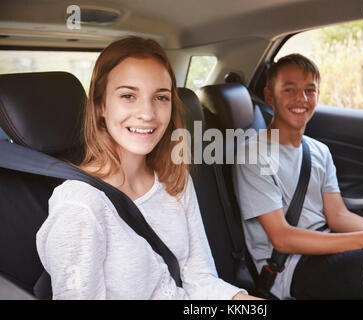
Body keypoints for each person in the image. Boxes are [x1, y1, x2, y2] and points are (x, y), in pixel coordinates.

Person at [36, 36, 259, 300]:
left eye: (161, 97)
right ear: (100, 107)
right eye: (128, 96)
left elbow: (199, 279)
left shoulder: (175, 179)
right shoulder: (81, 206)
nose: (148, 113)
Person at [233, 53, 363, 300]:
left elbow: (338, 215)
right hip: (289, 268)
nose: (301, 99)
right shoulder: (253, 156)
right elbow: (282, 238)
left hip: (328, 248)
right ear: (270, 96)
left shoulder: (318, 150)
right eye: (289, 90)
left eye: (309, 90)